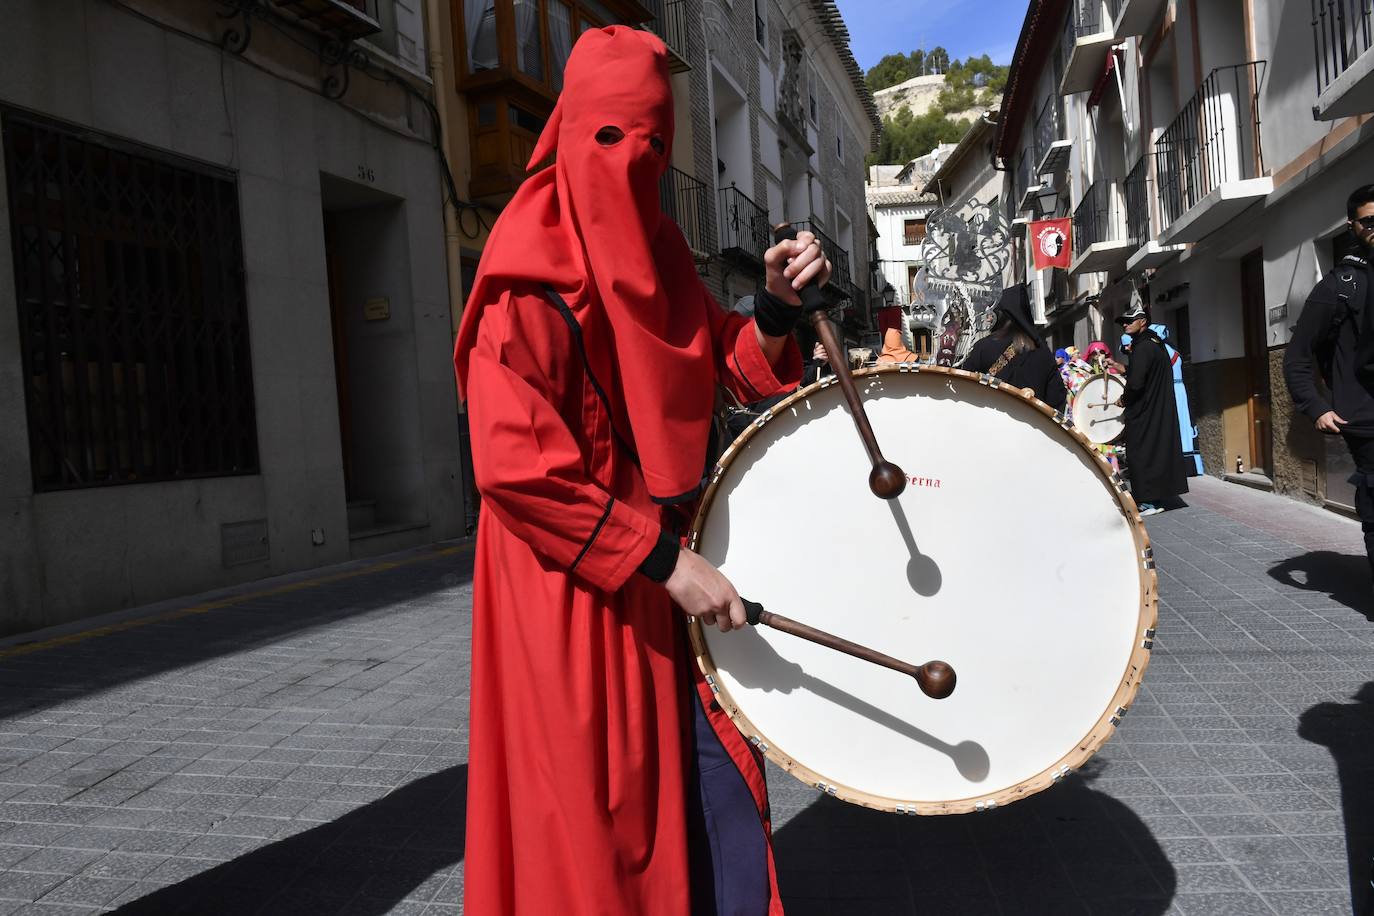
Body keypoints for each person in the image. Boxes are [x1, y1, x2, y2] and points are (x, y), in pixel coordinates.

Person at [453, 27, 826, 916]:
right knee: (596, 828)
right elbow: (517, 471)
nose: (636, 164)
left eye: (656, 145)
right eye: (614, 139)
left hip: (663, 573)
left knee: (702, 793)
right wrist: (664, 561)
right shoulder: (521, 286)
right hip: (570, 595)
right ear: (572, 130)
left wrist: (773, 303)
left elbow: (729, 361)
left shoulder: (660, 256)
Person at [1285, 183, 1374, 581]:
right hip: (1367, 419)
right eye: (1369, 221)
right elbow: (1297, 357)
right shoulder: (1340, 286)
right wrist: (1316, 406)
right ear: (1353, 226)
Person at [1114, 303, 1188, 515]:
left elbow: (1137, 383)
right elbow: (1146, 373)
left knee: (1140, 454)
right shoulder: (1154, 343)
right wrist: (1125, 368)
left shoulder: (1142, 347)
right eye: (1124, 323)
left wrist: (1123, 399)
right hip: (1158, 409)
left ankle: (1147, 502)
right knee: (1157, 452)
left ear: (1143, 322)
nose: (1126, 325)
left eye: (1130, 321)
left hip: (1145, 411)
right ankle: (1159, 496)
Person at [959, 283, 1067, 410]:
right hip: (1033, 426)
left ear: (999, 315)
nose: (988, 318)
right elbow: (1057, 398)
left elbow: (964, 389)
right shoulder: (1043, 351)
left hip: (991, 426)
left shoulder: (983, 347)